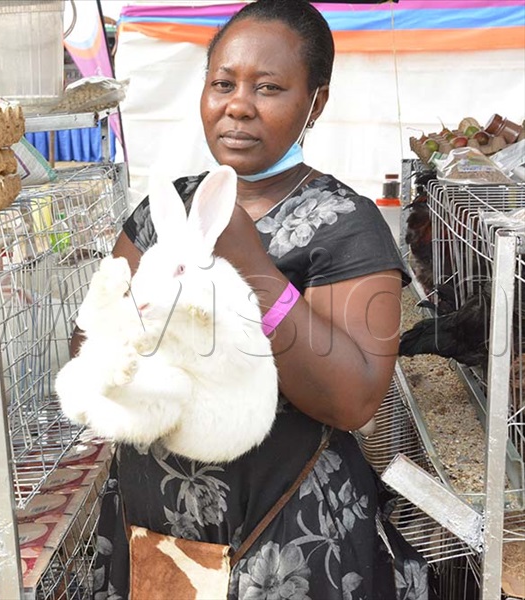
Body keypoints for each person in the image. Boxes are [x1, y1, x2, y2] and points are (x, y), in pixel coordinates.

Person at [88, 1, 430, 598]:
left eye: (268, 87)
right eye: (222, 83)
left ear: (314, 103)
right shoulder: (161, 212)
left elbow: (353, 401)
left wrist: (255, 270)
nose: (238, 104)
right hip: (157, 524)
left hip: (289, 533)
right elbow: (95, 346)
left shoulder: (346, 225)